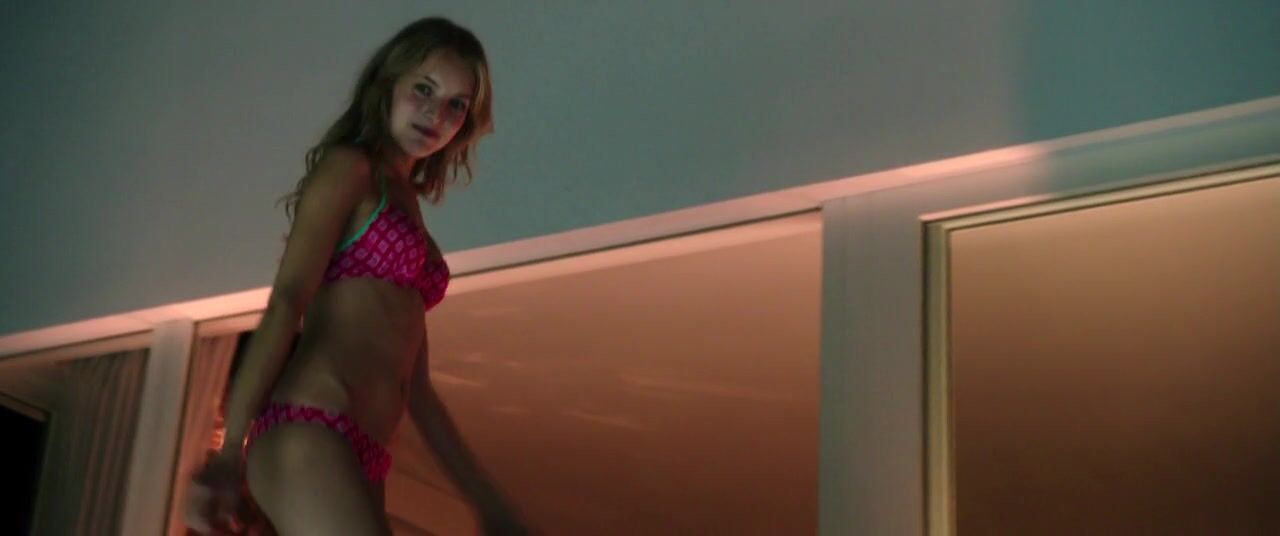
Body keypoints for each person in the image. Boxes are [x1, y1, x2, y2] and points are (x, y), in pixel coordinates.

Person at [184, 16, 527, 535]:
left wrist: (489, 501)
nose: (436, 114)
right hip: (311, 422)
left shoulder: (409, 208)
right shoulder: (352, 168)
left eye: (456, 105)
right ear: (387, 82)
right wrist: (230, 450)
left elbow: (420, 393)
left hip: (364, 451)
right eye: (424, 89)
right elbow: (287, 300)